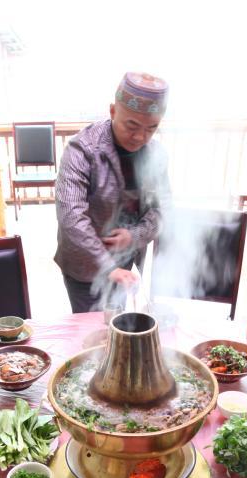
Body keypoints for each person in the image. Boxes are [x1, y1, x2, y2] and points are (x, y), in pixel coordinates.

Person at [54, 72, 171, 313]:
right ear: (112, 111)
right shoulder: (82, 149)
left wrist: (135, 236)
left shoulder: (156, 154)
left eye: (151, 128)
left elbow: (163, 208)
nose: (140, 137)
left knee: (115, 324)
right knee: (89, 332)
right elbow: (71, 217)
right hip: (85, 264)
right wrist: (108, 267)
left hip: (125, 262)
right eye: (132, 125)